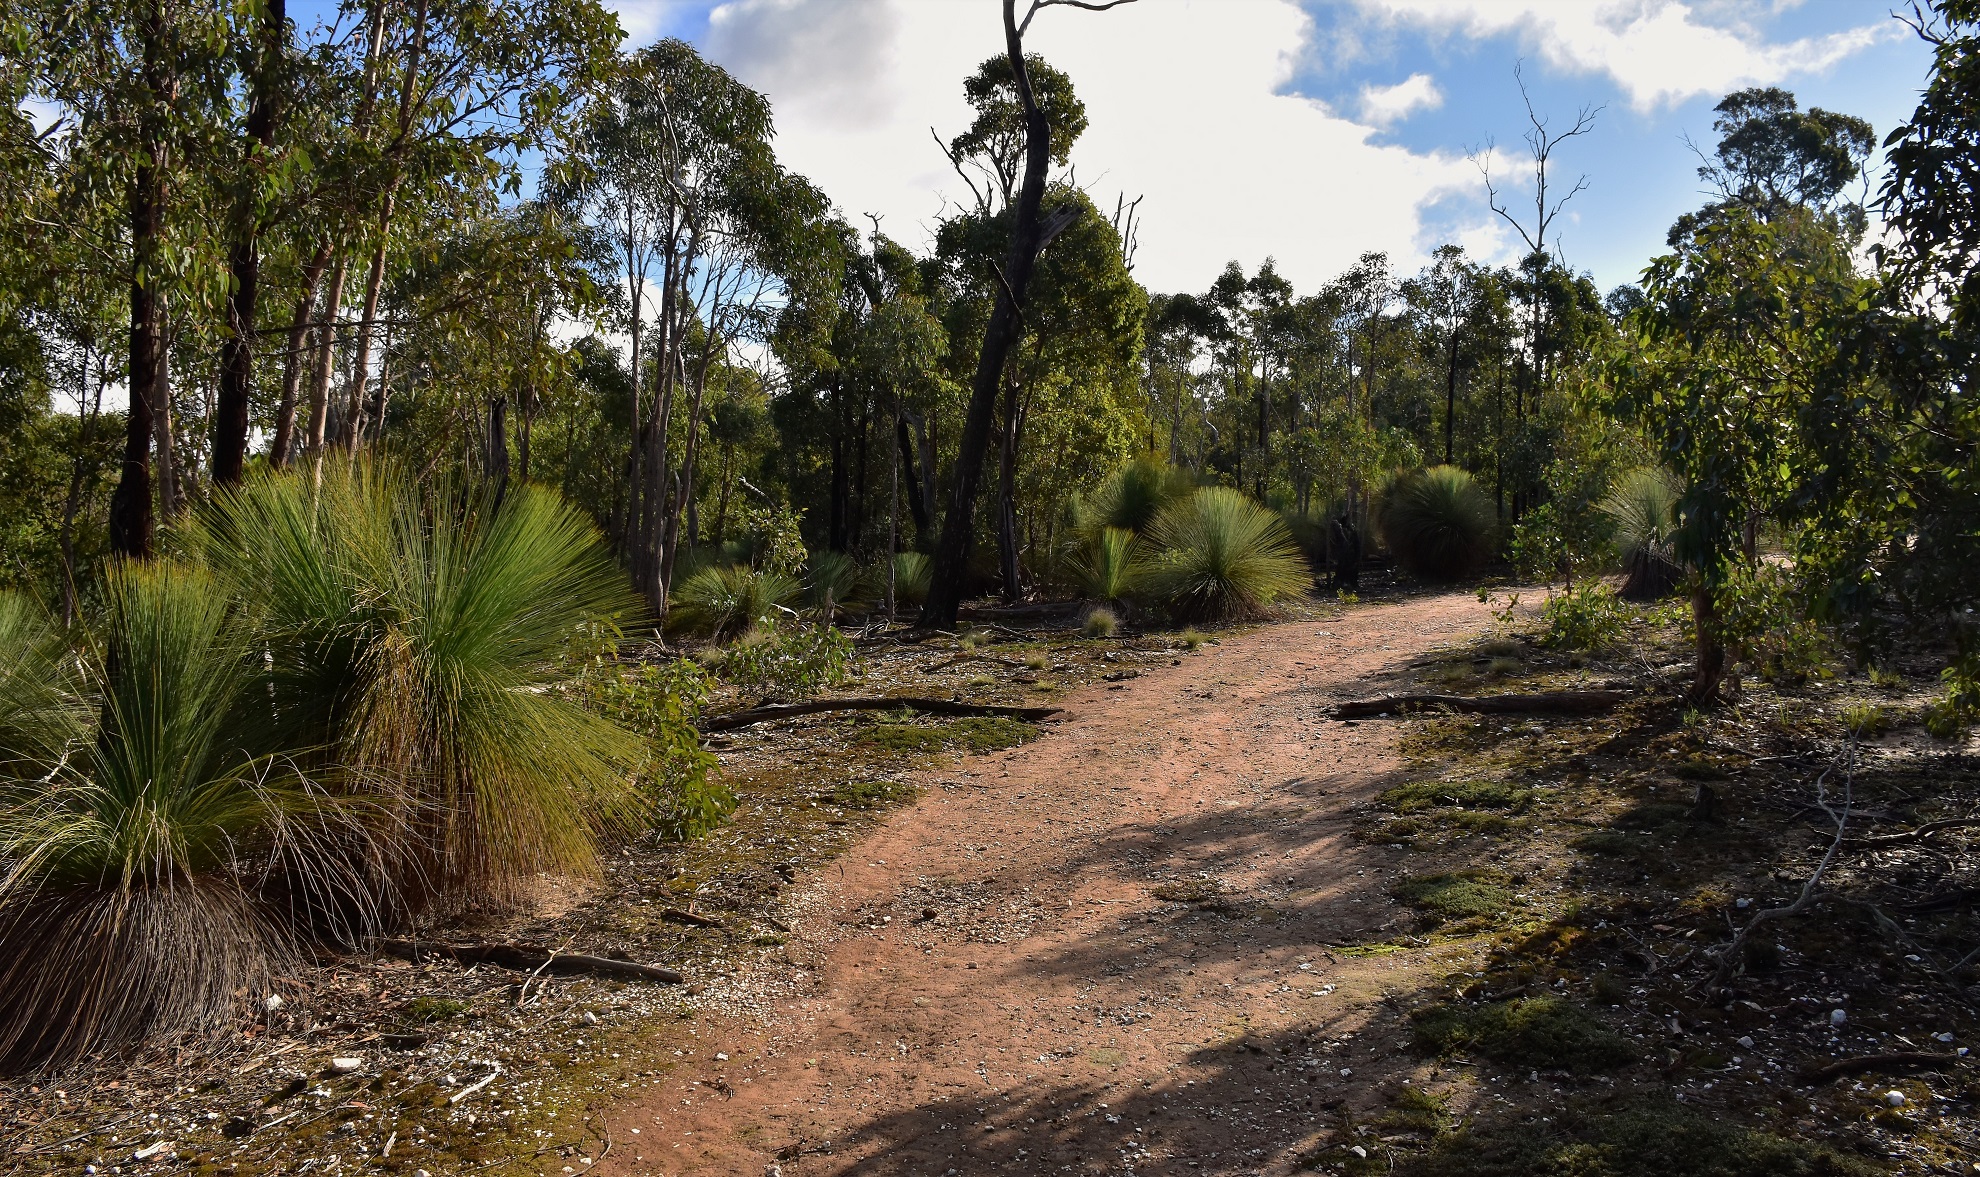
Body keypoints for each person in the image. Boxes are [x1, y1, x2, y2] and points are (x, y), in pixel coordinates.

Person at [1329, 510, 1360, 591]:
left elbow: (1357, 545)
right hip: (1343, 555)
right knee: (1342, 568)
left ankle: (1349, 583)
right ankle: (1341, 583)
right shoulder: (1339, 530)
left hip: (1350, 555)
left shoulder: (1352, 532)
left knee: (1350, 569)